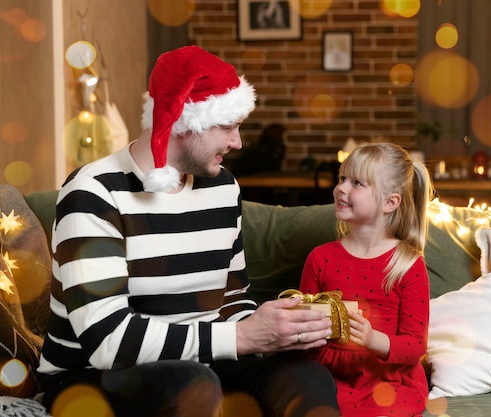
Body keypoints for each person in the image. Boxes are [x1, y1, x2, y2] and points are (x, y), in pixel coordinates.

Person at [36, 45, 339, 417]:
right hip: (88, 377)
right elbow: (108, 341)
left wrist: (275, 332)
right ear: (183, 122)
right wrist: (242, 337)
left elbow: (232, 298)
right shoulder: (93, 192)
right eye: (227, 126)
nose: (237, 142)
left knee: (305, 376)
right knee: (191, 383)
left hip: (201, 363)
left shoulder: (223, 187)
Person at [299, 142, 432, 417]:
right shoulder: (319, 258)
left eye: (357, 182)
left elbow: (415, 345)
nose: (341, 189)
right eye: (341, 179)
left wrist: (373, 339)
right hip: (329, 375)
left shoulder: (408, 264)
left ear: (390, 202)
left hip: (387, 381)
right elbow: (303, 333)